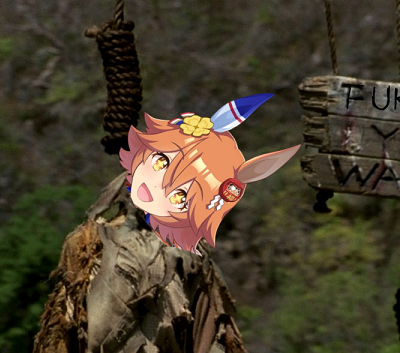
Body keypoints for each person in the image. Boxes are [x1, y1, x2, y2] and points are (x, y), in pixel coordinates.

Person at [120, 93, 300, 255]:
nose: (155, 187)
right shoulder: (119, 194)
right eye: (160, 161)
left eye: (180, 197)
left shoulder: (174, 254)